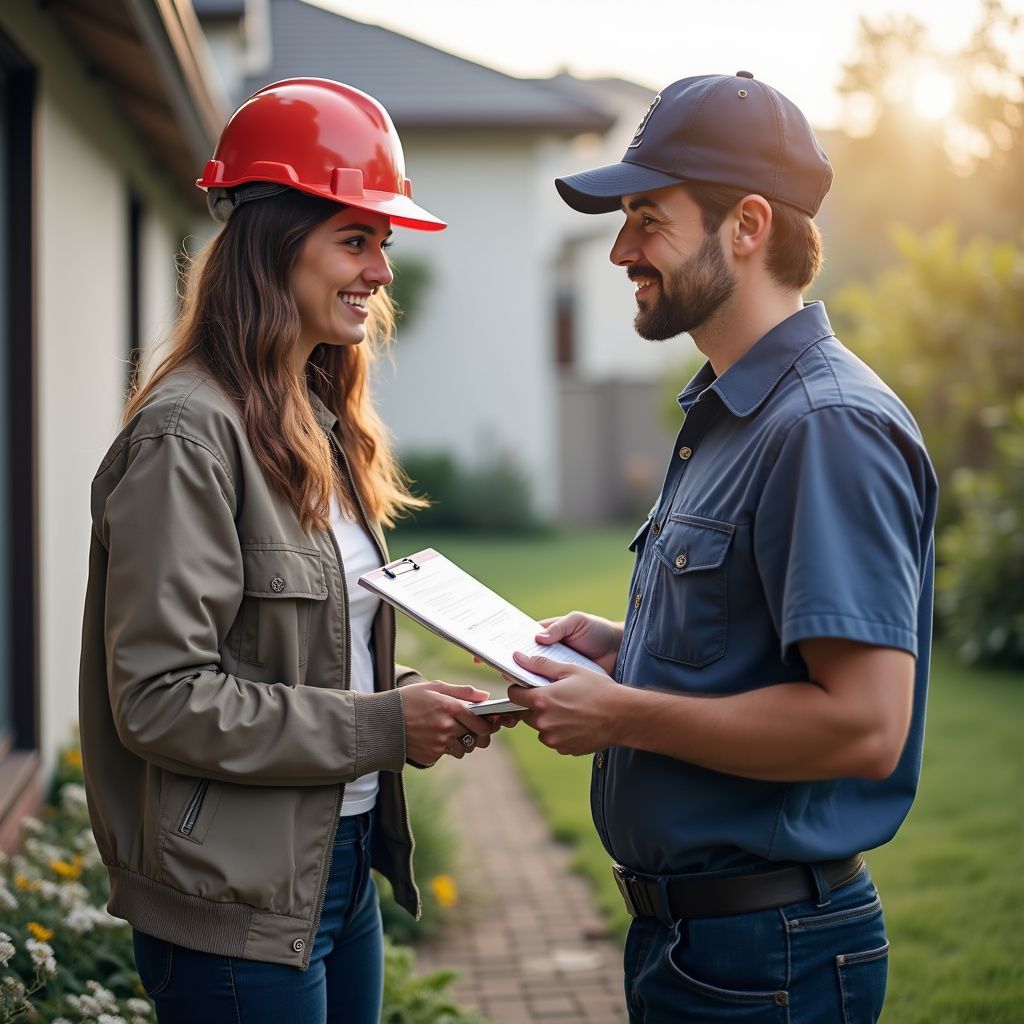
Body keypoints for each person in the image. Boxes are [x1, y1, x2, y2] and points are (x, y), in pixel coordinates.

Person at [509, 72, 938, 1023]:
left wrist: (622, 714)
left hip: (766, 959)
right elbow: (754, 644)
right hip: (702, 946)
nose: (621, 248)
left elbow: (864, 725)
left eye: (646, 217)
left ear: (746, 226)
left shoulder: (824, 426)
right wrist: (633, 650)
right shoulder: (734, 411)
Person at [78, 78, 501, 1024]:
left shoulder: (314, 416)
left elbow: (295, 651)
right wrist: (383, 726)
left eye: (382, 243)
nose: (382, 271)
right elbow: (157, 697)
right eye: (356, 239)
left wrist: (412, 701)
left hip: (335, 873)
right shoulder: (188, 436)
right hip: (234, 898)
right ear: (274, 249)